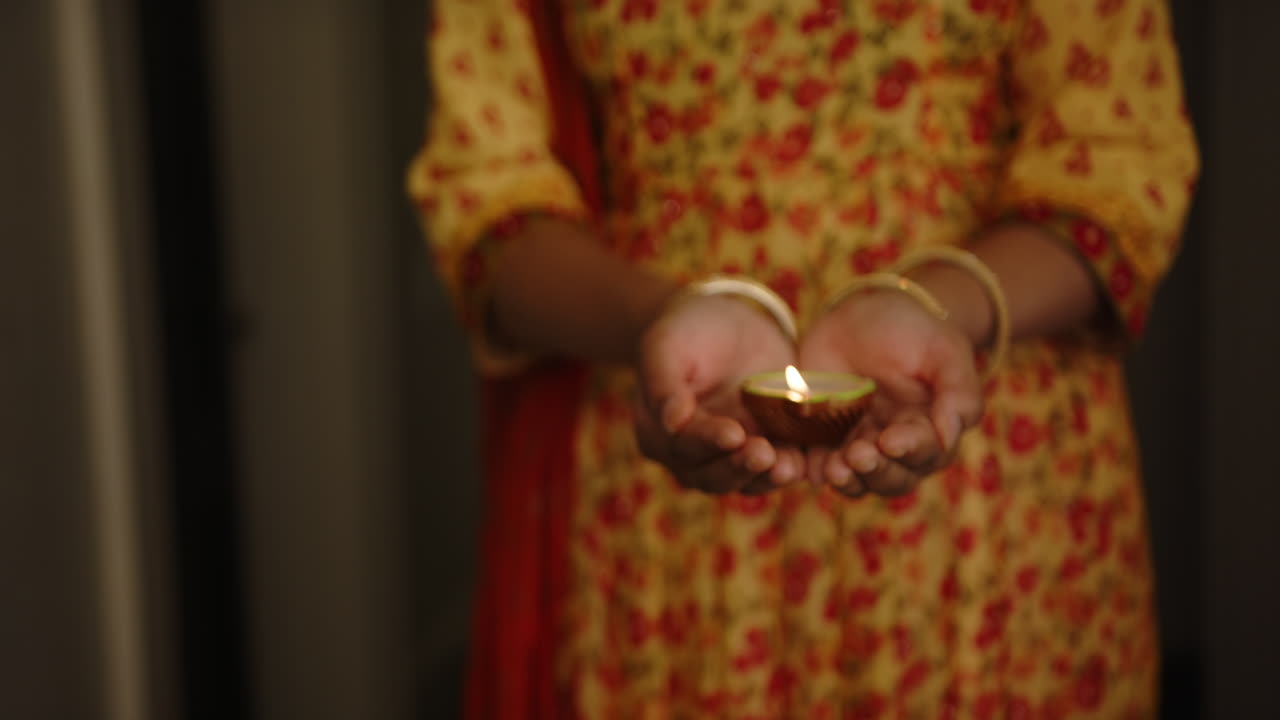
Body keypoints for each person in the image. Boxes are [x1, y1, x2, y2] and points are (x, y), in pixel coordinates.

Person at [409, 1, 1197, 717]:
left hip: (985, 478)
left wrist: (935, 304)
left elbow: (1119, 168)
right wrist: (661, 318)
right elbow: (485, 195)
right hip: (678, 459)